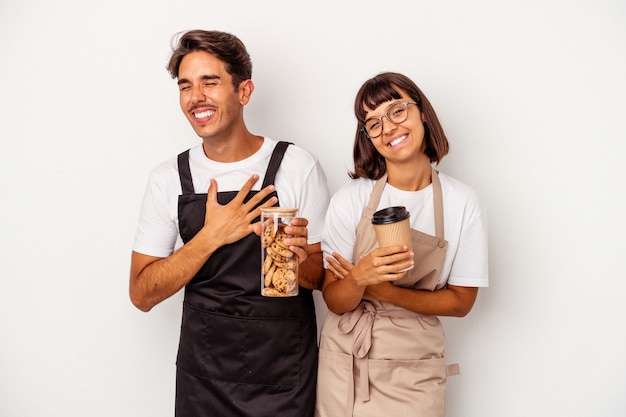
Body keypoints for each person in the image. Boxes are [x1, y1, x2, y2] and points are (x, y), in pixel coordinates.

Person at [129, 30, 330, 417]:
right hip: (203, 380)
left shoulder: (297, 166)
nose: (195, 97)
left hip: (283, 377)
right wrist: (211, 237)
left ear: (244, 91)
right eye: (185, 86)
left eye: (210, 82)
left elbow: (319, 278)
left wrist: (297, 257)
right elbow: (142, 294)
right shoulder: (169, 177)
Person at [315, 72, 489, 417]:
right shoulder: (351, 199)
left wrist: (384, 291)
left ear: (422, 112)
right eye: (373, 123)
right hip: (346, 364)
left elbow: (461, 302)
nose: (388, 127)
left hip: (414, 370)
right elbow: (335, 299)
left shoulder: (462, 202)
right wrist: (359, 278)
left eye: (397, 111)